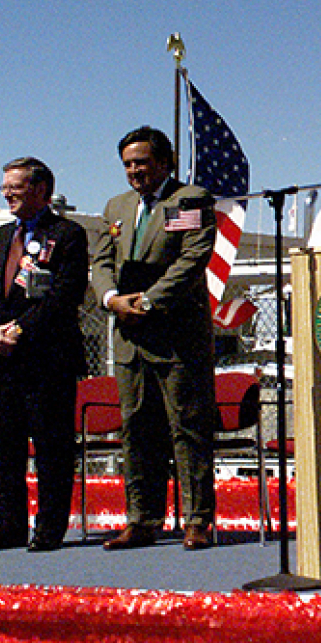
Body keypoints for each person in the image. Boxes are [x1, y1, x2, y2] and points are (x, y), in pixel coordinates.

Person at [91, 126, 219, 551]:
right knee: (137, 429)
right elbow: (102, 261)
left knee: (186, 428)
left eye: (142, 162)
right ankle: (142, 519)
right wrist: (111, 299)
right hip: (129, 339)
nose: (134, 171)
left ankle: (197, 520)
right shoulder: (117, 206)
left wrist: (146, 302)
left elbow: (191, 260)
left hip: (176, 338)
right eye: (128, 164)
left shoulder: (187, 201)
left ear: (164, 162)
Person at [0, 157, 89, 553]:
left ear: (41, 190)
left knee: (52, 449)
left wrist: (16, 332)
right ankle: (8, 528)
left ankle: (49, 530)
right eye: (4, 186)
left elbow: (62, 297)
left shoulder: (68, 235)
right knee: (3, 449)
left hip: (46, 362)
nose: (6, 194)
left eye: (14, 186)